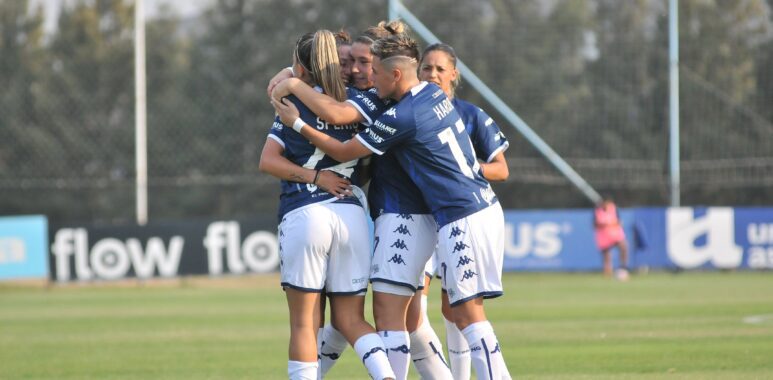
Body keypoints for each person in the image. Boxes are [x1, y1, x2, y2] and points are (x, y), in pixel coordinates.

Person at [272, 33, 511, 380]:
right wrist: (289, 75)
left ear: (393, 73)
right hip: (458, 213)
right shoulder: (429, 93)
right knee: (400, 314)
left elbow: (340, 135)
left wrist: (295, 116)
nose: (366, 77)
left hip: (455, 214)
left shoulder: (400, 114)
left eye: (371, 68)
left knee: (462, 314)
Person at [258, 30, 395, 380]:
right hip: (350, 215)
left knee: (305, 324)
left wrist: (313, 176)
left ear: (302, 68)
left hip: (305, 212)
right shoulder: (363, 101)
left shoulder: (292, 104)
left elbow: (269, 161)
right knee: (352, 320)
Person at [414, 42, 511, 380]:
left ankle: (460, 375)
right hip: (422, 220)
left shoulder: (470, 115)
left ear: (454, 74)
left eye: (441, 69)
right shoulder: (410, 112)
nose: (433, 74)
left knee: (457, 308)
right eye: (427, 67)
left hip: (460, 216)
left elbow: (501, 169)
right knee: (415, 306)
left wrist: (465, 170)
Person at [594, 197, 630, 280]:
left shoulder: (613, 208)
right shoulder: (597, 210)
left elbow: (619, 221)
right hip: (603, 236)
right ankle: (608, 272)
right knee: (607, 255)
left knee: (624, 247)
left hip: (615, 234)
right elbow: (595, 224)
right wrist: (604, 224)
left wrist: (613, 223)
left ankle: (623, 268)